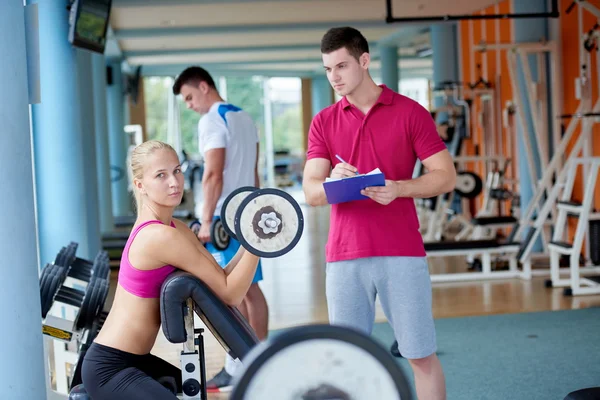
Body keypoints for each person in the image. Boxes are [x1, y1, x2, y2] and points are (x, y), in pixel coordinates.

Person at [302, 27, 456, 400]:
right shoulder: (324, 121)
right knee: (346, 358)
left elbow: (446, 176)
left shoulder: (410, 112)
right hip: (345, 256)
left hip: (401, 251)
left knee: (419, 354)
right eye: (327, 69)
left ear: (364, 61)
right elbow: (310, 192)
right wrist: (332, 181)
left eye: (341, 66)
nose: (334, 77)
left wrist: (400, 188)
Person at [81, 140, 261, 400]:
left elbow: (222, 280)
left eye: (177, 170)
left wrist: (249, 241)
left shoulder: (177, 227)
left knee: (198, 393)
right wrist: (258, 243)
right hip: (111, 368)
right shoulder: (159, 236)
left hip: (139, 360)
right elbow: (231, 294)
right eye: (161, 175)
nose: (175, 182)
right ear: (140, 185)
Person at [172, 66, 269, 392]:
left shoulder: (212, 119)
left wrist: (208, 219)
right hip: (247, 210)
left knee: (233, 291)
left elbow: (213, 175)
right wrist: (256, 209)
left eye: (189, 97)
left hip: (227, 216)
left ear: (203, 86)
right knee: (251, 290)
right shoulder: (244, 117)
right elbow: (254, 172)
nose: (189, 105)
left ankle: (240, 365)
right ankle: (256, 360)